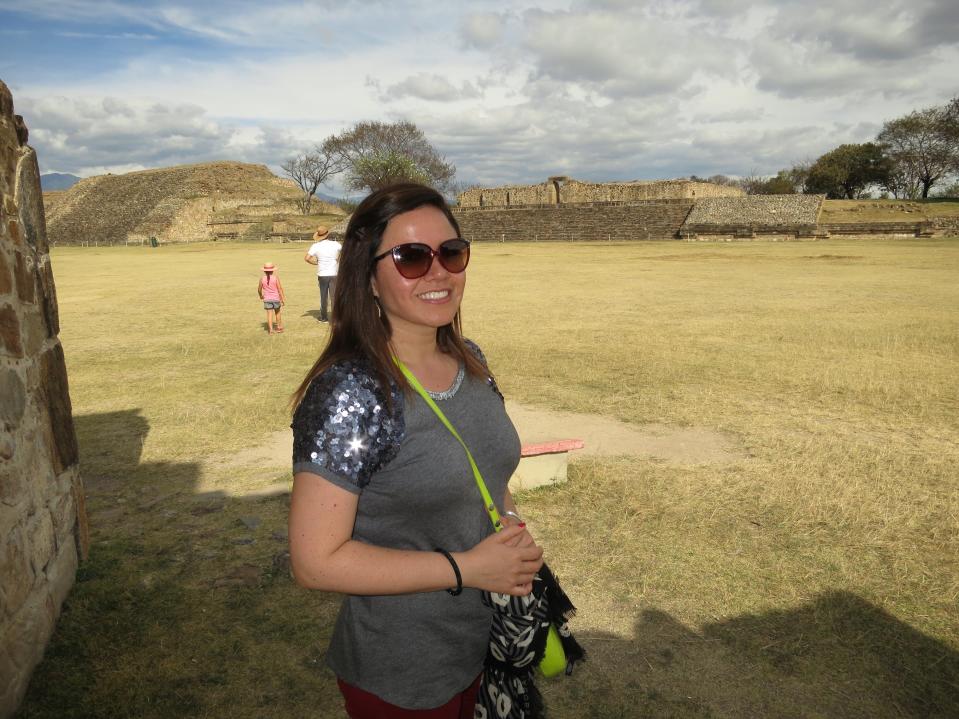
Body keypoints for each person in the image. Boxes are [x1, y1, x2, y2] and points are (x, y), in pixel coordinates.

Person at [289, 183, 542, 718]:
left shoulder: (469, 359)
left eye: (451, 252)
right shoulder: (352, 391)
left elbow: (489, 474)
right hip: (402, 670)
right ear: (368, 276)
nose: (438, 272)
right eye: (410, 257)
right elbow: (316, 563)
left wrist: (510, 523)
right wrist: (467, 568)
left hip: (484, 645)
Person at [304, 225, 341, 323]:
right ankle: (335, 318)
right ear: (328, 234)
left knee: (323, 297)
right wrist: (337, 259)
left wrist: (316, 263)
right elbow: (344, 252)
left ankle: (324, 317)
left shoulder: (316, 246)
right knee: (334, 297)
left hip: (322, 274)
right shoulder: (336, 244)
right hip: (334, 274)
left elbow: (307, 258)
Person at [257, 262, 286, 334]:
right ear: (273, 271)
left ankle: (270, 330)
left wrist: (260, 295)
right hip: (276, 298)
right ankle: (279, 327)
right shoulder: (276, 278)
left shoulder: (262, 279)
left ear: (264, 271)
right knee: (277, 312)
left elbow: (259, 289)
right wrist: (282, 298)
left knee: (269, 314)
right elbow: (280, 289)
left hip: (267, 299)